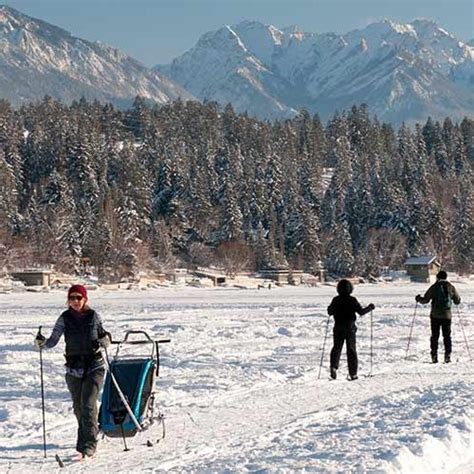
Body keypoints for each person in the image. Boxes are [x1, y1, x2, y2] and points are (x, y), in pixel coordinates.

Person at [34, 284, 111, 459]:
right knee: (78, 408)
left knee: (88, 404)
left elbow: (104, 336)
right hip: (73, 368)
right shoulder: (64, 318)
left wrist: (105, 340)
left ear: (85, 299)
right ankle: (90, 433)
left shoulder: (93, 316)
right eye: (71, 298)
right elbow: (53, 340)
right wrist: (41, 343)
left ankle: (88, 445)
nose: (75, 301)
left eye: (78, 298)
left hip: (94, 366)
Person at [327, 279, 375, 380]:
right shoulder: (352, 300)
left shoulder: (336, 299)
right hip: (350, 328)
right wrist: (370, 308)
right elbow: (361, 312)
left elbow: (330, 312)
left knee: (336, 348)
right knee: (351, 350)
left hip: (338, 327)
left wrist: (330, 308)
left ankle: (333, 367)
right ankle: (353, 374)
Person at [415, 270, 461, 363]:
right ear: (446, 277)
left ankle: (434, 356)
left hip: (435, 315)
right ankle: (447, 356)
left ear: (437, 277)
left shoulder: (434, 287)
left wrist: (418, 299)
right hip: (447, 316)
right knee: (447, 336)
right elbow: (457, 301)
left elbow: (426, 300)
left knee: (435, 336)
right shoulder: (450, 287)